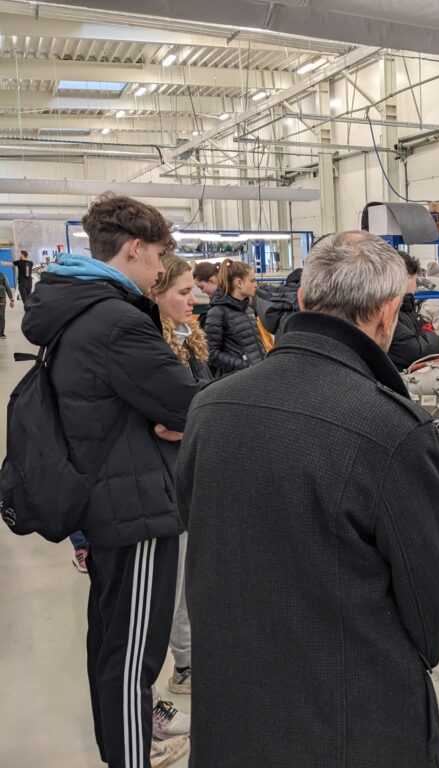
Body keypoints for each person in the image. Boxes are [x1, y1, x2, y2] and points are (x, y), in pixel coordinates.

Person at [176, 231, 439, 768]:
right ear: (389, 312)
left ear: (303, 299)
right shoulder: (390, 429)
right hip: (351, 722)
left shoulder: (210, 406)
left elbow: (196, 522)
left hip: (231, 713)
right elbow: (433, 603)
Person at [23, 194, 202, 768]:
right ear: (135, 249)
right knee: (133, 657)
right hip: (135, 507)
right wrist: (188, 418)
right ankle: (131, 756)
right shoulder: (117, 321)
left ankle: (120, 747)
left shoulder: (77, 307)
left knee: (109, 642)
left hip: (103, 497)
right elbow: (189, 405)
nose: (160, 268)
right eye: (159, 256)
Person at [150, 253, 213, 705]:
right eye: (184, 292)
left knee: (195, 579)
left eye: (194, 290)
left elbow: (202, 400)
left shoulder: (189, 337)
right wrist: (198, 423)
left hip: (193, 469)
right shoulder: (155, 348)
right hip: (168, 478)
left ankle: (193, 656)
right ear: (156, 294)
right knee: (173, 588)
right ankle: (185, 664)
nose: (194, 299)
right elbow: (166, 421)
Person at [204, 258, 265, 375]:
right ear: (239, 283)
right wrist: (244, 366)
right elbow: (211, 353)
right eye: (252, 281)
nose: (255, 285)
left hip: (256, 374)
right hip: (238, 378)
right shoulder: (217, 312)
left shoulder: (248, 309)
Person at [389, 250, 439, 370]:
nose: (416, 285)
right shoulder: (390, 314)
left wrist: (426, 337)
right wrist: (430, 335)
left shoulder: (409, 310)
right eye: (415, 279)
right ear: (406, 278)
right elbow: (415, 352)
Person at [0, 269, 14, 338]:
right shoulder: (2, 275)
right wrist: (11, 300)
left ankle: (1, 333)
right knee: (1, 315)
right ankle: (1, 333)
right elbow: (7, 287)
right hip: (2, 298)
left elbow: (8, 288)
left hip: (1, 298)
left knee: (1, 315)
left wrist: (12, 299)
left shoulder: (2, 276)